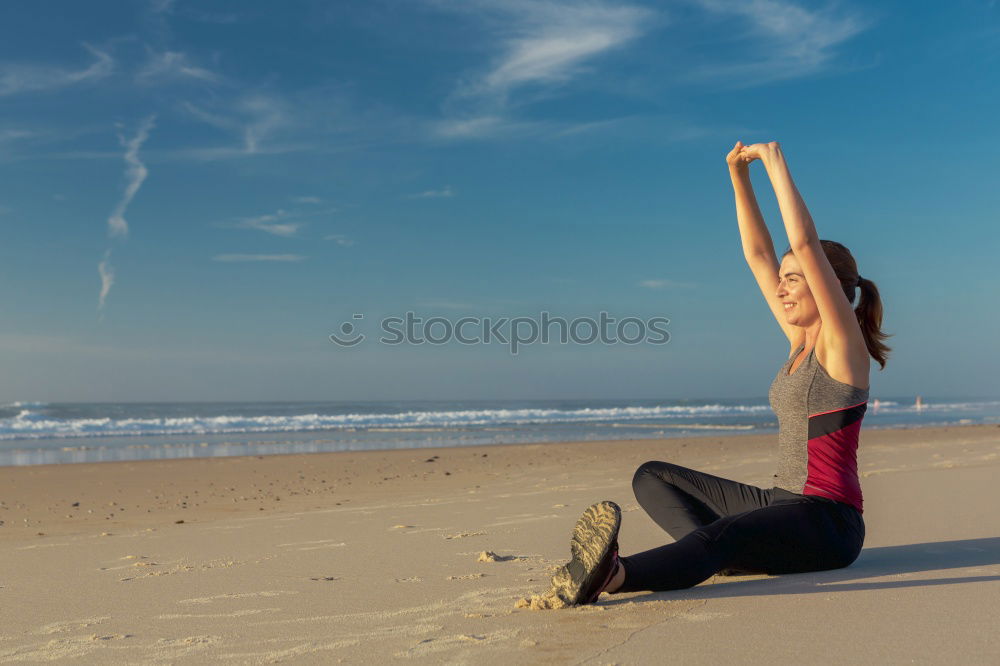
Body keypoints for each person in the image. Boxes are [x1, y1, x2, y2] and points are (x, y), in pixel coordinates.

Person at [550, 141, 892, 605]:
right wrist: (738, 175)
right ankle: (713, 555)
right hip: (781, 502)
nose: (781, 287)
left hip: (828, 522)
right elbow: (756, 254)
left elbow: (806, 244)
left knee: (720, 536)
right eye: (784, 278)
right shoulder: (799, 343)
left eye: (793, 278)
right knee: (653, 477)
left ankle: (614, 576)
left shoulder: (842, 346)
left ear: (827, 285)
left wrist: (773, 163)